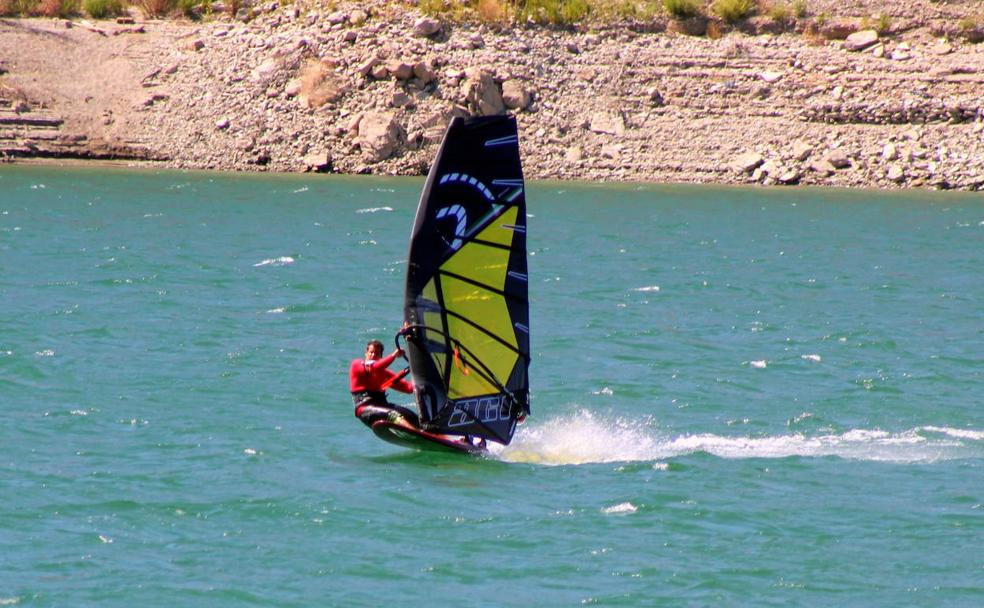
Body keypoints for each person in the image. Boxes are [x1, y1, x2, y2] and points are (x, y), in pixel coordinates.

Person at [350, 339, 420, 429]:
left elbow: (409, 388)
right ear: (366, 353)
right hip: (365, 409)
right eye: (371, 352)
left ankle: (431, 432)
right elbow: (374, 369)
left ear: (381, 357)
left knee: (412, 416)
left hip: (383, 407)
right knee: (394, 415)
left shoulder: (384, 374)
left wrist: (420, 372)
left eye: (377, 353)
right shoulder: (356, 365)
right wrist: (393, 356)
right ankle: (414, 433)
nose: (373, 355)